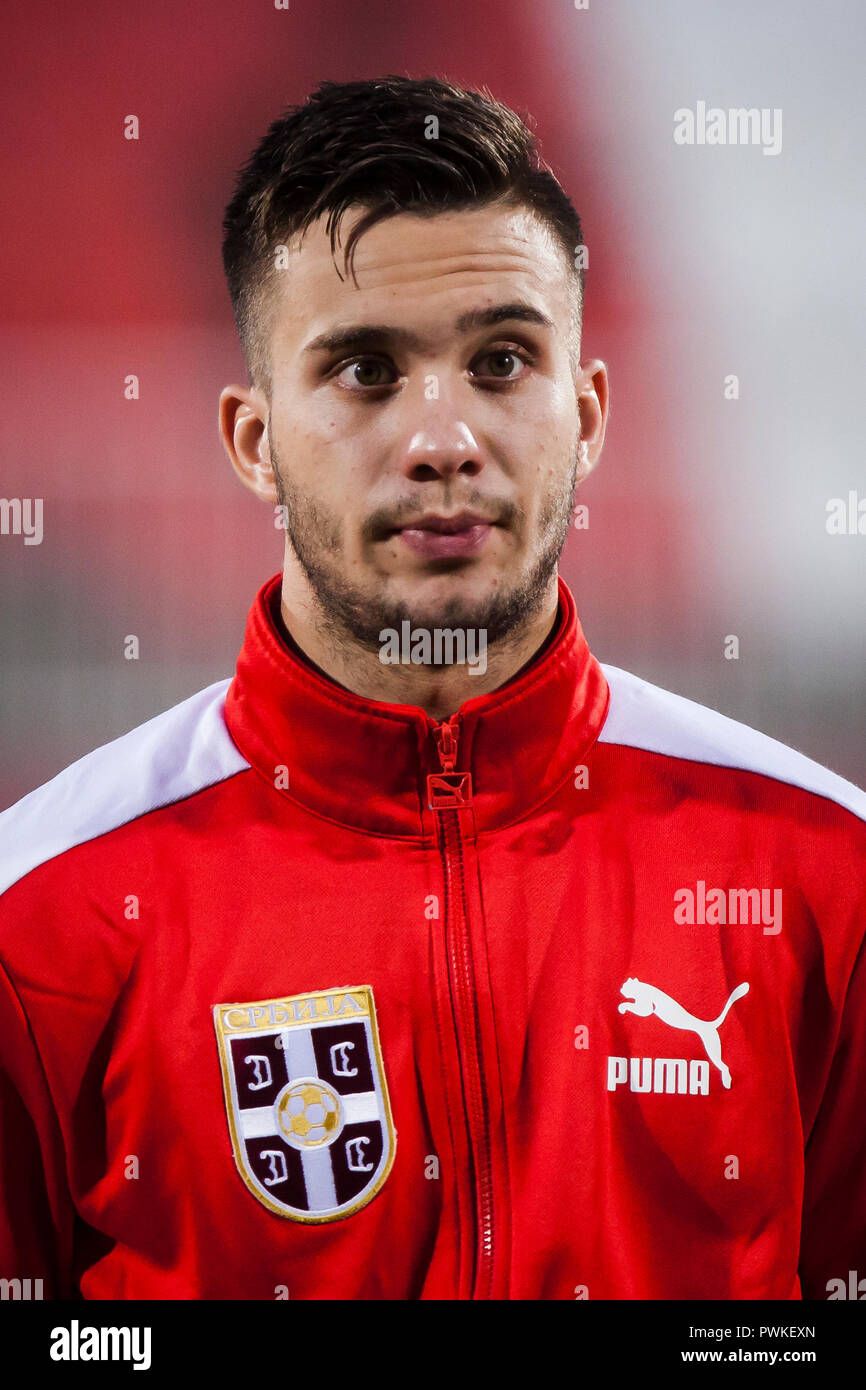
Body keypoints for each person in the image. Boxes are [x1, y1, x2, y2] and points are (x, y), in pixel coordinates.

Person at [0, 75, 863, 1302]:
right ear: (253, 440)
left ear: (587, 409)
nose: (442, 437)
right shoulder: (40, 919)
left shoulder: (824, 877)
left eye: (501, 360)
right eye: (363, 371)